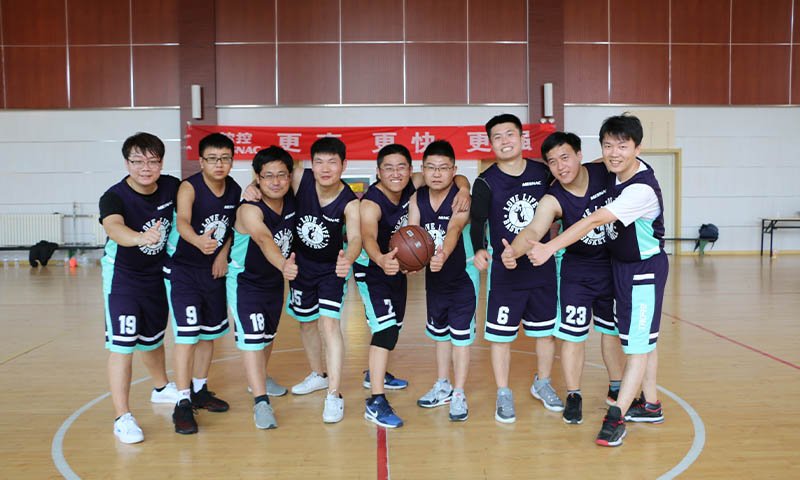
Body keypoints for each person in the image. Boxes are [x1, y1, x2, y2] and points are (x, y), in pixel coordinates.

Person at [528, 114, 668, 447]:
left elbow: (593, 220)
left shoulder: (640, 189)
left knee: (637, 346)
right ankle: (650, 404)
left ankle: (616, 417)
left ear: (638, 148)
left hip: (643, 271)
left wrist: (550, 247)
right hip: (620, 268)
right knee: (643, 341)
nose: (614, 153)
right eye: (608, 146)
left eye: (623, 146)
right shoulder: (616, 172)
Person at [501, 132, 625, 425]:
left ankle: (616, 387)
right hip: (577, 274)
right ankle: (574, 395)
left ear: (580, 155)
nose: (560, 166)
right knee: (573, 336)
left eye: (565, 157)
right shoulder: (553, 197)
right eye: (553, 162)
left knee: (611, 332)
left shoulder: (602, 170)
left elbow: (622, 157)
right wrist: (514, 251)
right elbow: (534, 229)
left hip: (611, 268)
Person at [356, 143, 472, 428]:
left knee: (393, 329)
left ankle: (375, 373)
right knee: (384, 330)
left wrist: (465, 188)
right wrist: (381, 259)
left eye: (401, 167)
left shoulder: (416, 183)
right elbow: (368, 236)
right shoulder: (371, 203)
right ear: (378, 172)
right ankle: (376, 401)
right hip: (373, 268)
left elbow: (453, 176)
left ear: (411, 170)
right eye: (388, 168)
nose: (395, 173)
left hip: (400, 266)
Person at [469, 113, 561, 424]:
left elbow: (563, 202)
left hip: (541, 267)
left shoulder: (542, 172)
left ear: (522, 138)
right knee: (501, 337)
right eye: (497, 137)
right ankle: (503, 392)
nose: (504, 141)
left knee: (546, 334)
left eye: (510, 134)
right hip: (505, 273)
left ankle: (543, 383)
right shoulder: (485, 182)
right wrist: (480, 249)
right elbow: (478, 221)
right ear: (490, 143)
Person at [99, 132, 181, 444]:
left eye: (152, 161)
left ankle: (160, 388)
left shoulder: (172, 187)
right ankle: (122, 417)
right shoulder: (114, 196)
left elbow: (201, 193)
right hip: (123, 279)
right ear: (127, 163)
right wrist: (139, 238)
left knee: (152, 339)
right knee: (123, 345)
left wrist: (253, 188)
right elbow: (113, 227)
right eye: (137, 161)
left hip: (157, 277)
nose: (145, 168)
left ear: (161, 163)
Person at [165, 133, 241, 434]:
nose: (219, 164)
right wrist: (198, 241)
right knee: (187, 336)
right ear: (201, 161)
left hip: (213, 272)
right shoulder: (189, 187)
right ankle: (182, 401)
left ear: (232, 161)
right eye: (212, 158)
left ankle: (199, 390)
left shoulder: (234, 189)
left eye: (225, 158)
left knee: (209, 334)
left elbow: (232, 228)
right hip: (185, 271)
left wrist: (222, 254)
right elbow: (182, 221)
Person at [285, 137, 361, 424]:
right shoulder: (299, 179)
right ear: (311, 164)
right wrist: (254, 186)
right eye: (319, 162)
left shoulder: (349, 202)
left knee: (329, 325)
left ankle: (333, 394)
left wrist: (348, 258)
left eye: (332, 162)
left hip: (332, 269)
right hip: (300, 267)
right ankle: (318, 375)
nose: (325, 168)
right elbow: (270, 177)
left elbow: (355, 238)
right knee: (306, 323)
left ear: (344, 165)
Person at [227, 146, 298, 429]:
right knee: (254, 338)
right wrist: (283, 264)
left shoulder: (291, 199)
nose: (276, 181)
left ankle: (261, 378)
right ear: (257, 177)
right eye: (268, 176)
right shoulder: (249, 209)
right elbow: (263, 239)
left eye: (282, 175)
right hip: (246, 283)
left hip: (272, 283)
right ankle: (260, 402)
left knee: (268, 336)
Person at [408, 140, 478, 422]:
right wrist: (409, 261)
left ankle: (459, 393)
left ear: (454, 170)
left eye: (443, 168)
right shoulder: (417, 198)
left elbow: (454, 228)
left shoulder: (461, 198)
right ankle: (442, 385)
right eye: (431, 167)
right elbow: (412, 231)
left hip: (462, 277)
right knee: (440, 336)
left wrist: (443, 254)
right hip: (435, 279)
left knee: (460, 338)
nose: (437, 173)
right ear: (422, 169)